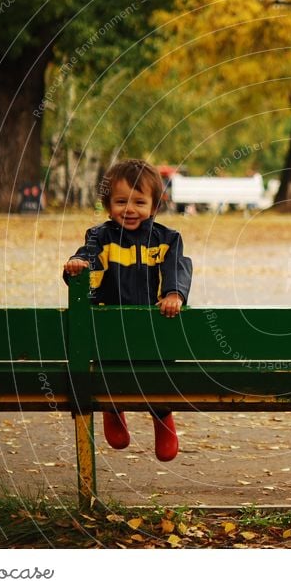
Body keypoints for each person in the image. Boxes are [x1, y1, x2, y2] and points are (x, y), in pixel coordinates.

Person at [63, 159, 192, 461]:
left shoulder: (166, 239)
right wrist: (77, 267)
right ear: (108, 206)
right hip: (113, 332)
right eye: (121, 202)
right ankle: (113, 408)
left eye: (139, 202)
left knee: (157, 369)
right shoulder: (100, 238)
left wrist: (174, 294)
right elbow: (88, 264)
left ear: (154, 205)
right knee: (111, 361)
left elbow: (177, 267)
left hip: (153, 328)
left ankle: (162, 417)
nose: (129, 209)